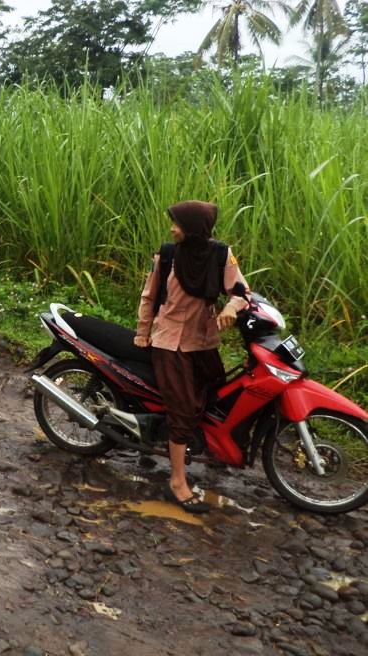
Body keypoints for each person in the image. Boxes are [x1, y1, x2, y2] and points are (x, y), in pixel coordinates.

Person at [134, 200, 248, 515]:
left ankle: (192, 446)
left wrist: (231, 307)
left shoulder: (222, 254)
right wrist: (143, 332)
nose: (173, 230)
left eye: (179, 224)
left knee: (217, 392)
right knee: (183, 409)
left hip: (203, 340)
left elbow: (242, 291)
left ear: (196, 228)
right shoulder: (167, 255)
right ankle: (177, 481)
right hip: (169, 341)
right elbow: (149, 296)